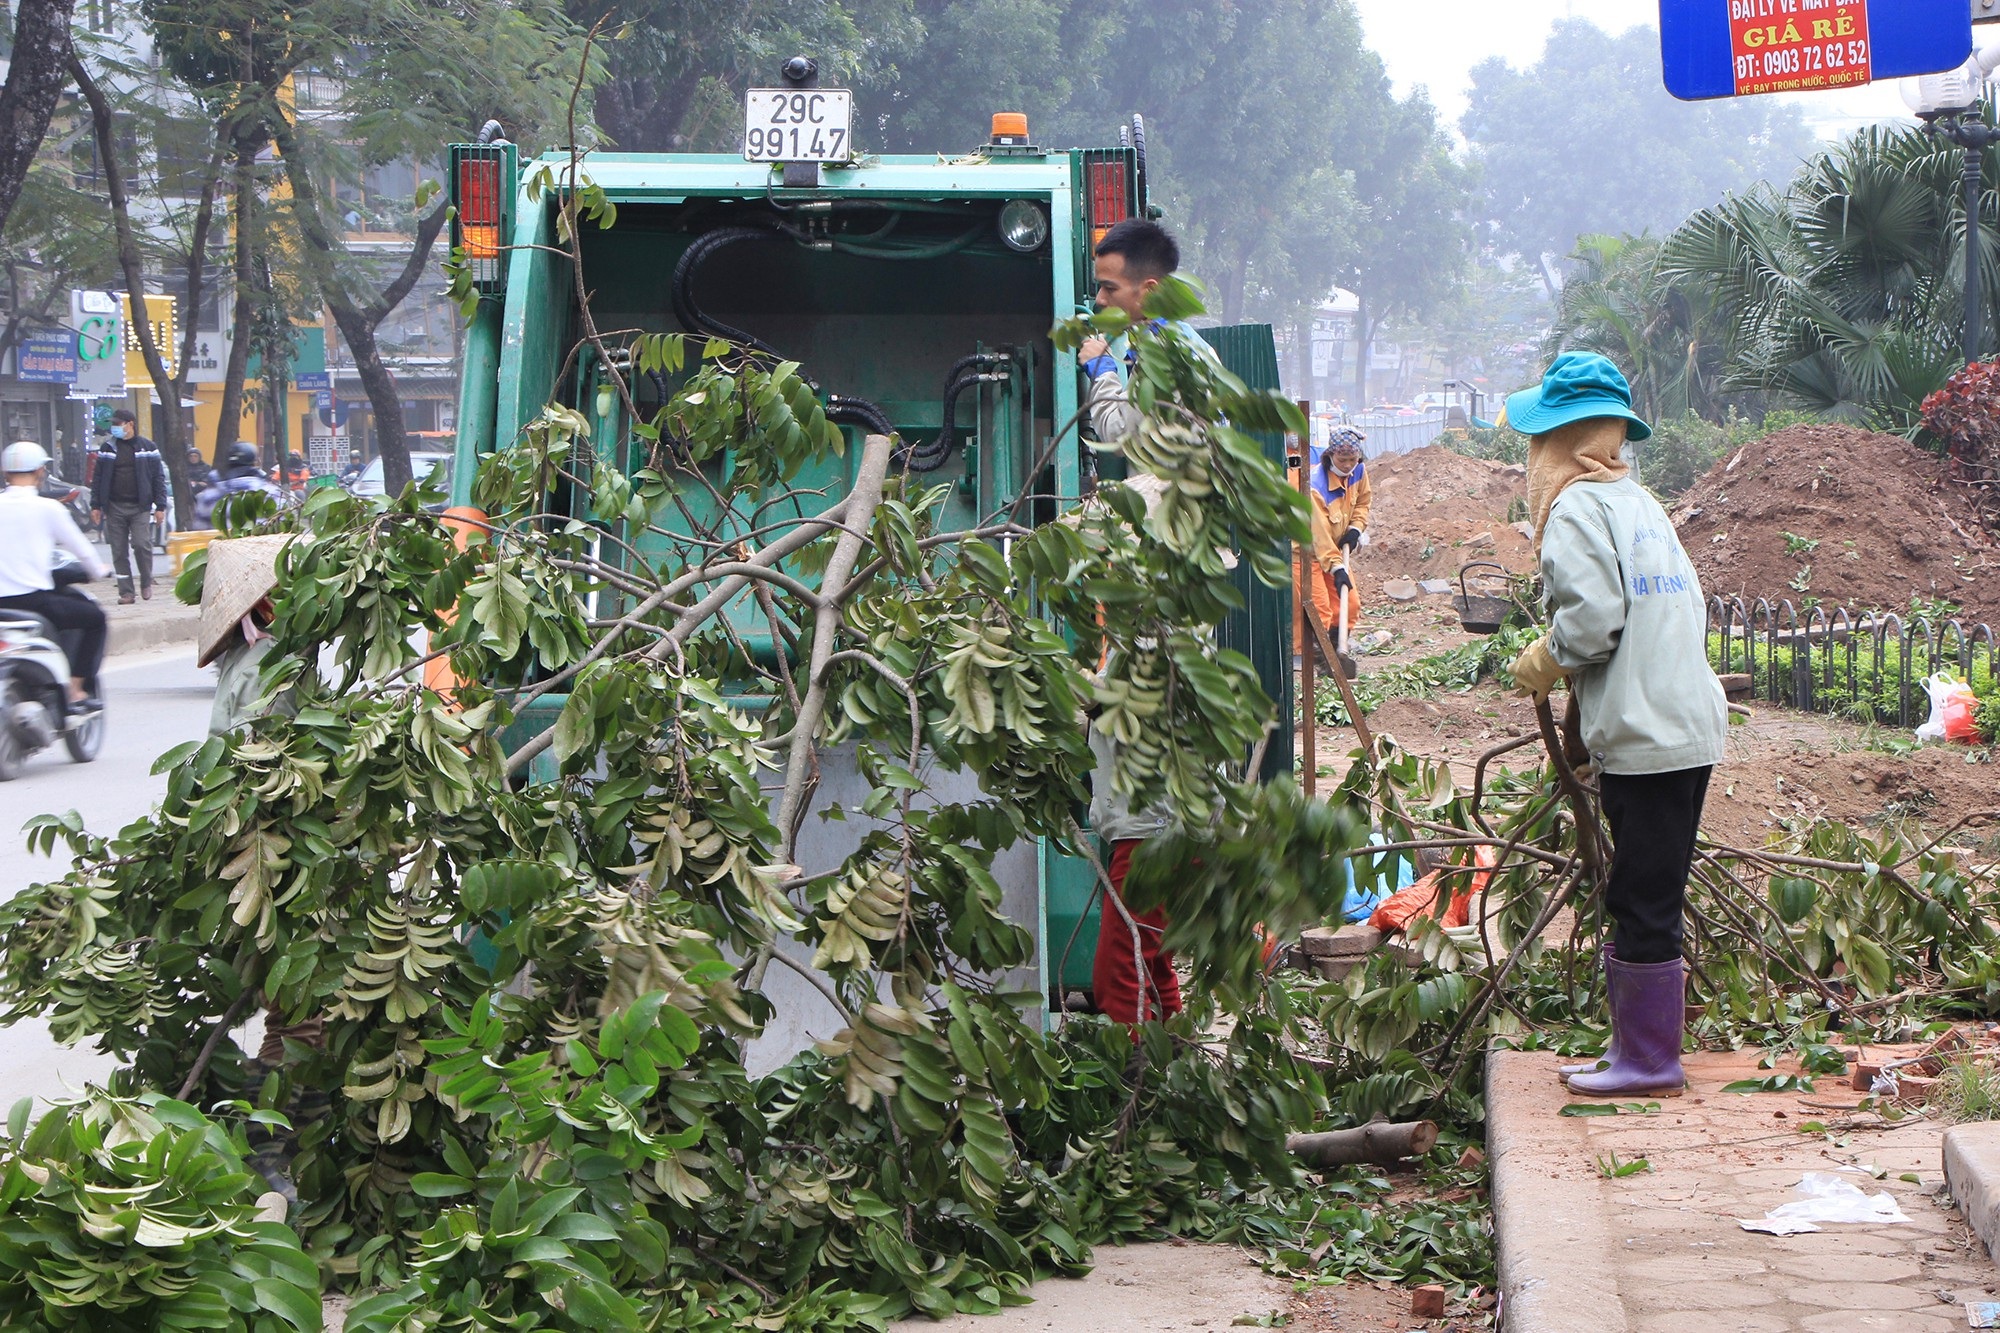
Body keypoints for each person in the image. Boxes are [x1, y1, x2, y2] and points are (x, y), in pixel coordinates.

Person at [1504, 352, 1726, 1099]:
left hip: (1645, 736)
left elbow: (1594, 624)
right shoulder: (1639, 502)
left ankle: (1650, 1059)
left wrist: (1546, 655)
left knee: (1641, 898)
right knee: (1649, 889)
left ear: (1557, 441)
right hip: (1683, 726)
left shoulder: (1574, 510)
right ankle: (1636, 1045)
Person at [1076, 218, 1207, 444]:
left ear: (1148, 290)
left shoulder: (1161, 355)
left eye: (1110, 288)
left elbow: (1119, 435)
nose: (1100, 298)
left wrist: (1101, 371)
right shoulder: (1192, 343)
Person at [0, 441, 107, 710]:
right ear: (39, 472)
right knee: (95, 619)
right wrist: (99, 571)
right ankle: (75, 689)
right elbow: (83, 551)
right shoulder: (49, 508)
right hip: (33, 602)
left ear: (5, 474)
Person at [1293, 425, 1370, 646]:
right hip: (1307, 554)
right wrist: (1337, 569)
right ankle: (1319, 657)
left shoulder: (1359, 471)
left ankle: (1337, 652)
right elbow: (1320, 536)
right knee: (1320, 612)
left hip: (1333, 551)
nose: (1347, 465)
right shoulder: (1315, 487)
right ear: (1330, 455)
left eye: (1352, 459)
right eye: (1342, 459)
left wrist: (1355, 529)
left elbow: (1363, 502)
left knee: (1350, 606)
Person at [88, 409, 168, 604]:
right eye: (114, 424)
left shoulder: (148, 448)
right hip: (114, 506)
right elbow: (97, 478)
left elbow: (158, 477)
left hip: (140, 506)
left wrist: (160, 506)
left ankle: (146, 581)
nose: (115, 427)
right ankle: (126, 592)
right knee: (118, 550)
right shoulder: (107, 448)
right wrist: (96, 505)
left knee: (142, 545)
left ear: (130, 424)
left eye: (119, 424)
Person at [195, 442, 288, 528]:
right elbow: (283, 524)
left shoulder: (207, 497)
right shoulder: (271, 492)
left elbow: (199, 529)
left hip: (218, 544)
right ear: (254, 461)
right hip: (260, 544)